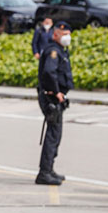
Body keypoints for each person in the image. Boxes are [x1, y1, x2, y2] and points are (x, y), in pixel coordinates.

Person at [36, 21, 73, 186]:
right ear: (55, 35)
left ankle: (49, 169)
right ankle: (44, 172)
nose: (67, 37)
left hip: (55, 98)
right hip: (51, 98)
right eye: (64, 35)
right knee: (52, 136)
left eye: (68, 34)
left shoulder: (60, 50)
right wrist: (56, 92)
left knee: (55, 135)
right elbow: (49, 73)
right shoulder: (53, 51)